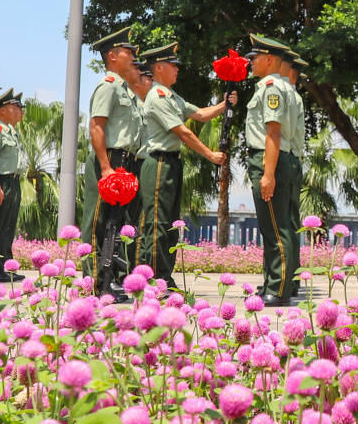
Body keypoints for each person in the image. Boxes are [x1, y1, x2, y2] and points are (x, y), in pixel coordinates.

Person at [136, 39, 229, 287]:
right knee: (158, 224)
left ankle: (164, 277)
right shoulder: (157, 96)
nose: (177, 69)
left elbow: (199, 114)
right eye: (172, 64)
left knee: (169, 224)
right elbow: (183, 133)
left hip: (172, 164)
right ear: (158, 68)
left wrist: (224, 104)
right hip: (158, 164)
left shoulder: (171, 95)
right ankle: (154, 280)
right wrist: (211, 155)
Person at [243, 34, 306, 307]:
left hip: (272, 160)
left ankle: (277, 289)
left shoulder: (270, 88)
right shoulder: (285, 88)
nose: (251, 62)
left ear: (269, 59)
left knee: (276, 229)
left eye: (254, 58)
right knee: (284, 227)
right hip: (285, 159)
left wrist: (267, 174)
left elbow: (273, 133)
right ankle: (280, 283)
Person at [85, 27, 145, 295]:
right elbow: (97, 126)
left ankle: (107, 280)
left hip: (125, 160)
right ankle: (94, 284)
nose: (133, 56)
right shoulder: (108, 86)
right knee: (98, 223)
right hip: (108, 159)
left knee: (115, 225)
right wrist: (106, 167)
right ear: (112, 55)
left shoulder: (125, 89)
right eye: (128, 51)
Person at [0, 87, 27, 280]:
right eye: (15, 107)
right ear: (2, 110)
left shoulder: (12, 132)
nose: (20, 111)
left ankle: (5, 264)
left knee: (9, 225)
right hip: (2, 180)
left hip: (14, 181)